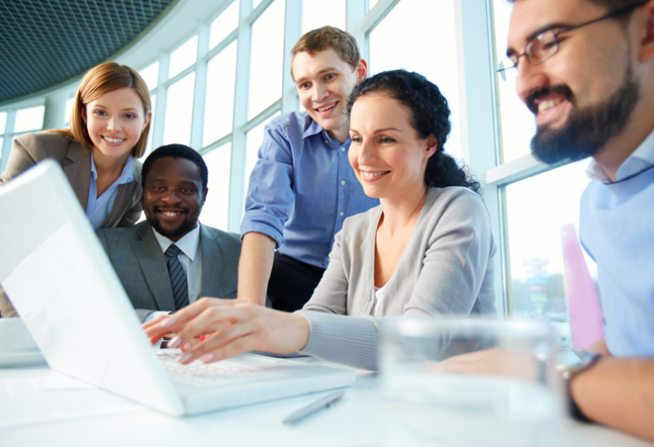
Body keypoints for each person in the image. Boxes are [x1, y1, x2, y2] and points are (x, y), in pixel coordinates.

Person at [144, 70, 497, 371]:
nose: (365, 156)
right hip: (380, 411)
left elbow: (421, 343)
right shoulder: (355, 231)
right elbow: (314, 327)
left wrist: (289, 326)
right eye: (357, 139)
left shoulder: (459, 209)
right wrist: (232, 329)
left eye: (386, 139)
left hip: (458, 417)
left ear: (429, 144)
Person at [438, 0, 654, 442]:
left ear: (647, 29)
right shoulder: (597, 200)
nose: (524, 84)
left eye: (548, 43)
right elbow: (632, 347)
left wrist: (547, 376)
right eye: (516, 60)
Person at [239, 26, 379, 312]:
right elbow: (263, 217)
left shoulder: (389, 134)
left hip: (366, 277)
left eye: (329, 76)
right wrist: (250, 313)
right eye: (305, 84)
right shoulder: (284, 134)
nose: (318, 95)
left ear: (360, 71)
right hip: (294, 273)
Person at [0, 61, 151, 318]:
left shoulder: (139, 183)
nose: (114, 127)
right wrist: (15, 318)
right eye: (101, 112)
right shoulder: (38, 151)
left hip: (61, 307)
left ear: (146, 120)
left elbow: (106, 254)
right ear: (84, 114)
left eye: (128, 115)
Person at [97, 144, 241, 322]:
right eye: (158, 188)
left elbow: (260, 316)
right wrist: (162, 321)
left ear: (204, 195)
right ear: (143, 191)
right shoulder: (107, 247)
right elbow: (91, 312)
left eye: (186, 190)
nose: (171, 199)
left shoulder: (238, 250)